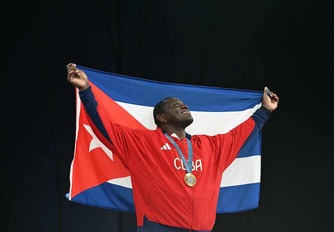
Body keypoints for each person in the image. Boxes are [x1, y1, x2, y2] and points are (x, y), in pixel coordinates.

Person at [66, 63, 279, 232]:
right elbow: (105, 127)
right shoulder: (142, 143)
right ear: (161, 117)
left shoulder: (209, 146)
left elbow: (239, 137)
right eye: (175, 105)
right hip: (157, 228)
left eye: (184, 104)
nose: (184, 106)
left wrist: (265, 111)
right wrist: (85, 90)